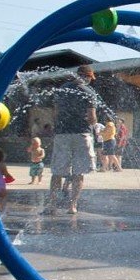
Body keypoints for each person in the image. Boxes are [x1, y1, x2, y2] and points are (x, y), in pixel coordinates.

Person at [45, 65, 98, 215]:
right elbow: (92, 118)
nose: (89, 80)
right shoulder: (89, 92)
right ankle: (72, 206)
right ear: (86, 76)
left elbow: (55, 113)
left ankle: (52, 205)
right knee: (78, 172)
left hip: (62, 134)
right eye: (89, 78)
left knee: (57, 172)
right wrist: (95, 125)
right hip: (82, 134)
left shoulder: (62, 89)